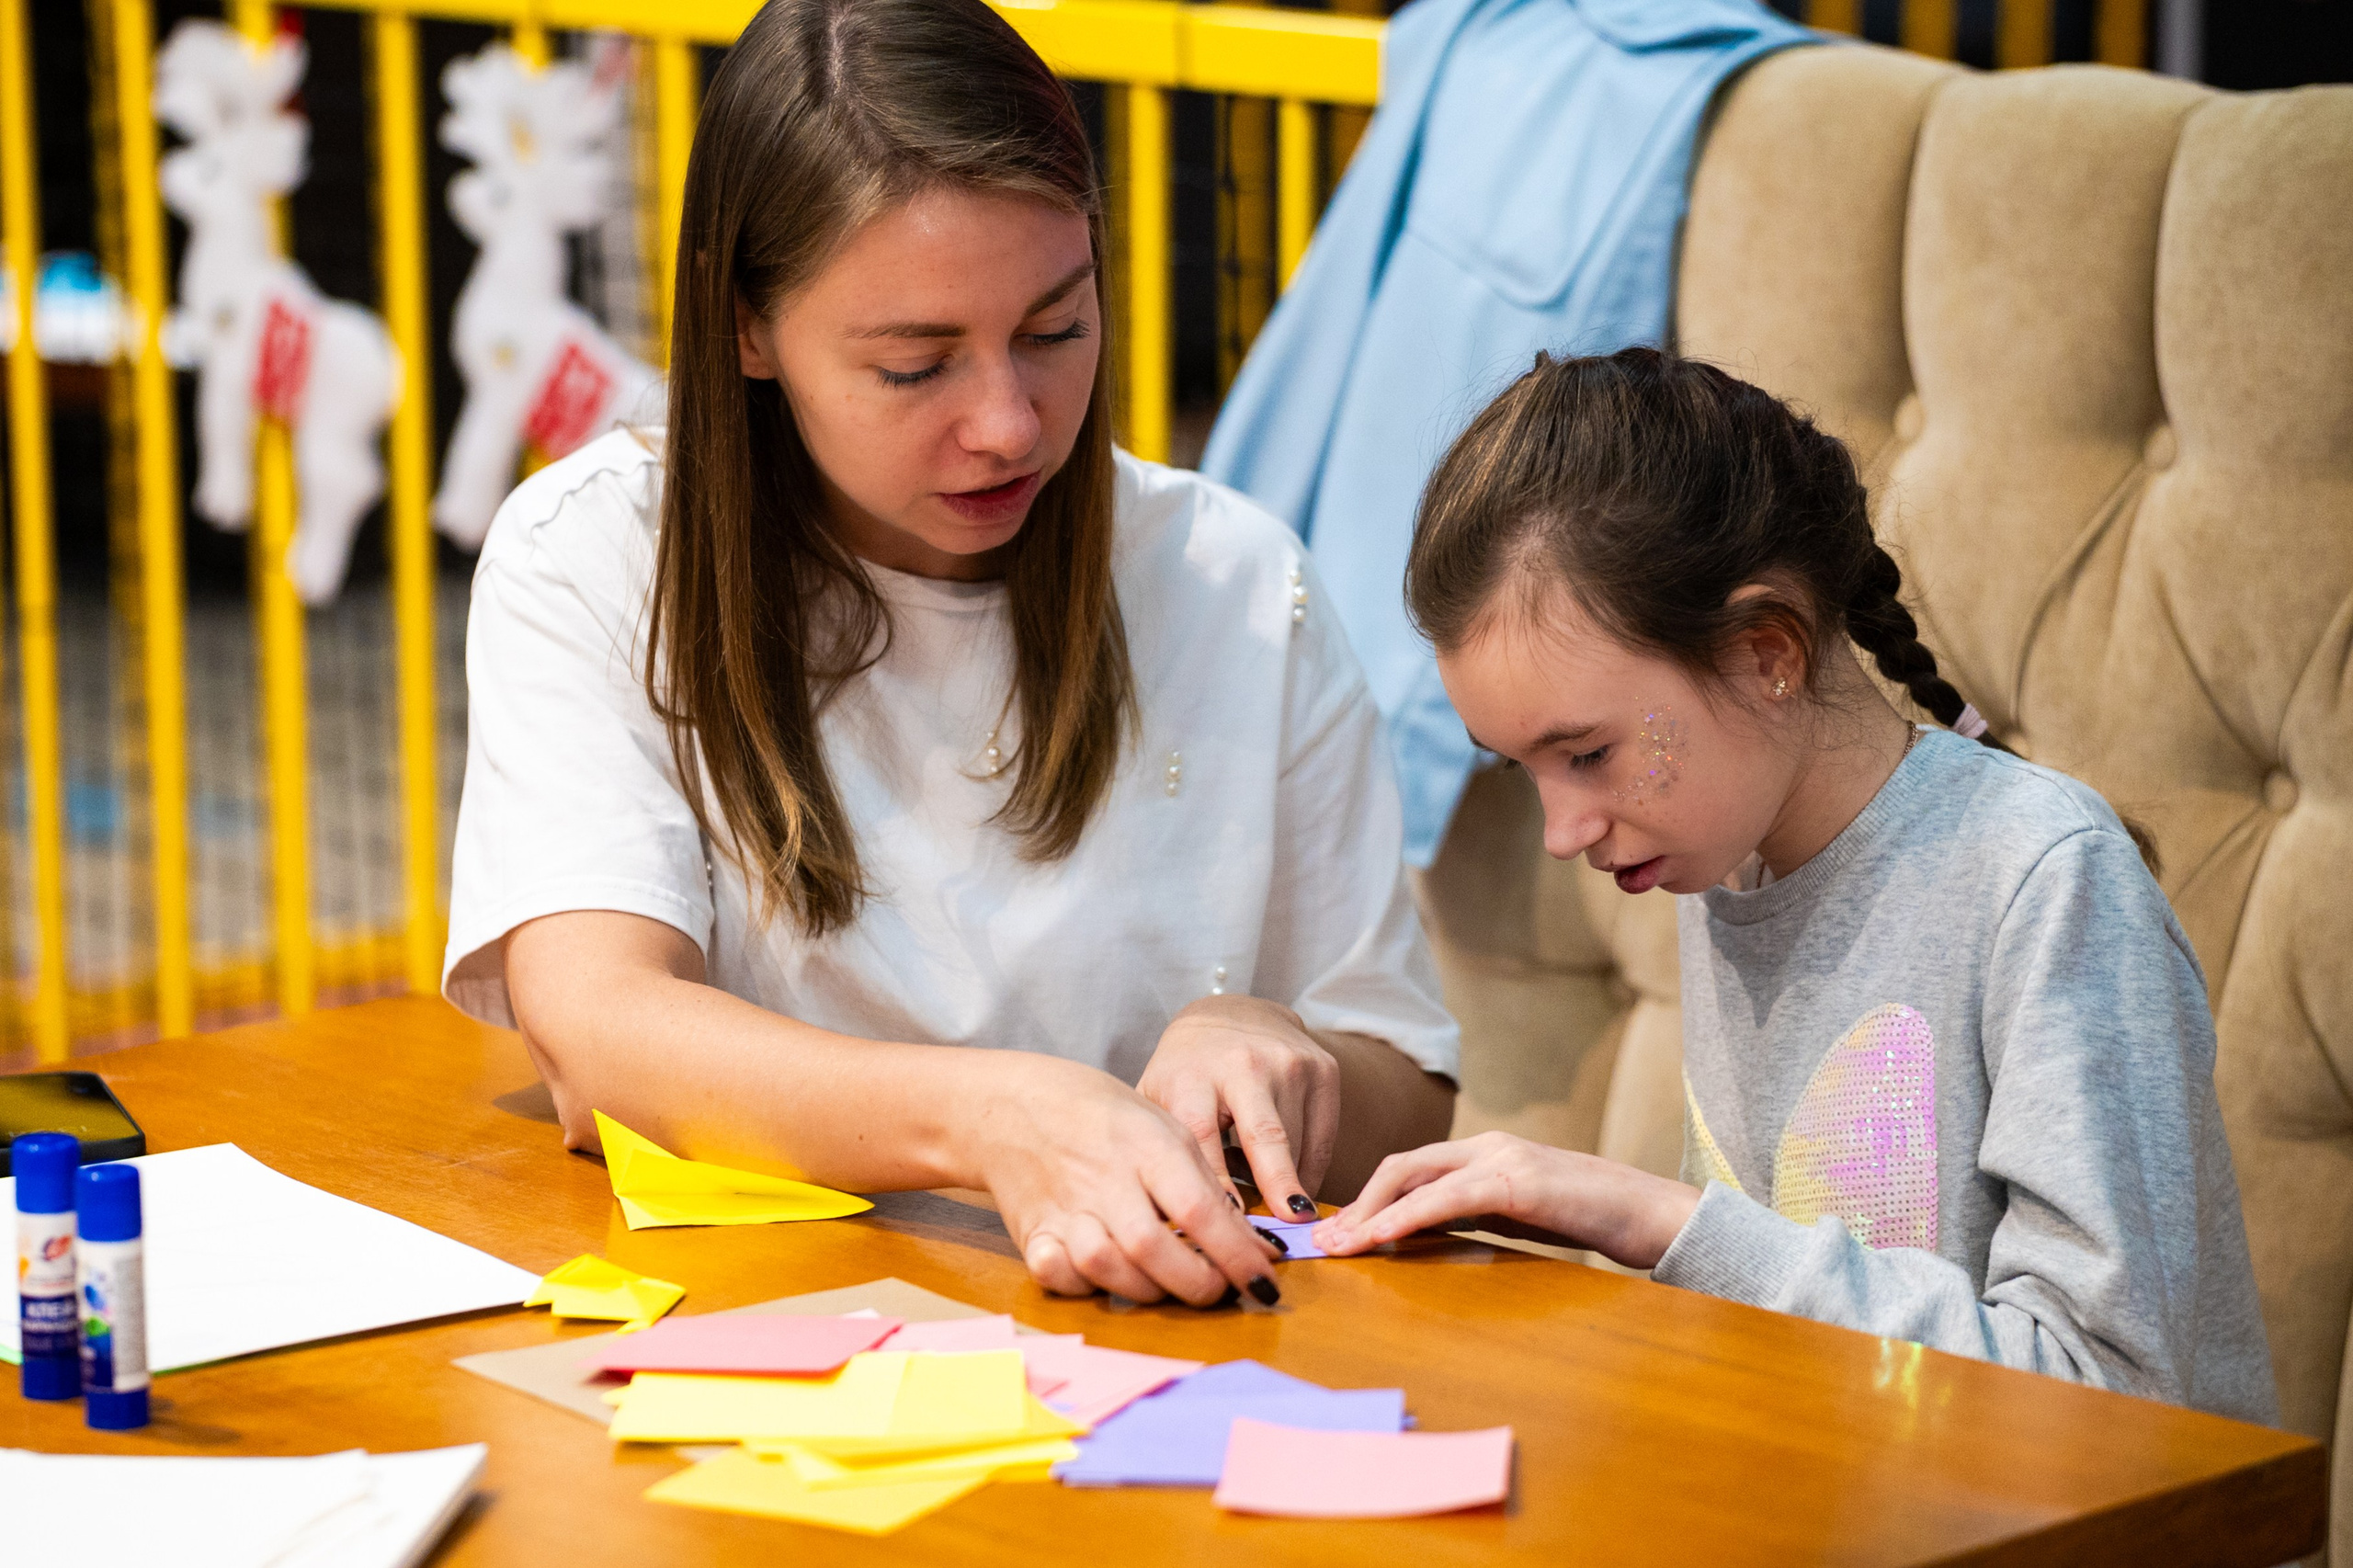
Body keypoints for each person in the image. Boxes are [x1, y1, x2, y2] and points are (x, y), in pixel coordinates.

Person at [442, 0, 1458, 1310]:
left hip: (1165, 1348)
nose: (1008, 423)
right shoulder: (594, 557)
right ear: (746, 328)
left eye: (1055, 330)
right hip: (755, 1327)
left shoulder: (1239, 583)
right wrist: (994, 1121)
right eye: (916, 365)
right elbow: (601, 1029)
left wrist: (1275, 1042)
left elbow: (1410, 1086)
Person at [1313, 348, 2277, 1421]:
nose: (1562, 830)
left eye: (1585, 753)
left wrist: (1656, 1219)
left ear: (1766, 651)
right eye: (1520, 765)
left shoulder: (2046, 880)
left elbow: (2106, 1395)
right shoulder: (1724, 857)